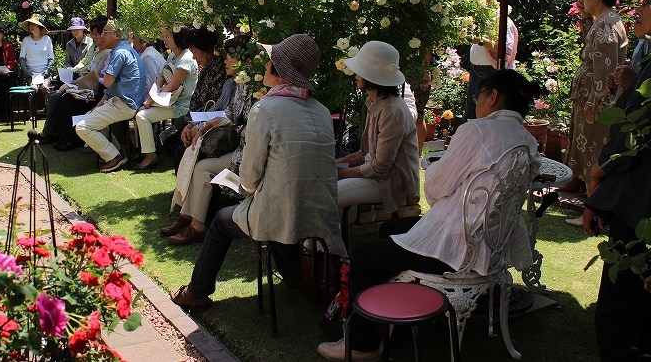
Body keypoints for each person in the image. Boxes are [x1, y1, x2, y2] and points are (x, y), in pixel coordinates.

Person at [317, 69, 542, 362]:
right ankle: (399, 311)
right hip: (490, 241)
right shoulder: (527, 139)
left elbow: (435, 186)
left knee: (364, 255)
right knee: (392, 228)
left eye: (477, 96)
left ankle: (363, 345)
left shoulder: (475, 130)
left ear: (493, 96)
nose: (476, 103)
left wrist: (439, 172)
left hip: (458, 244)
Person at [170, 34, 347, 310]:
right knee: (277, 216)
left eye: (269, 62)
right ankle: (296, 277)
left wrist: (245, 188)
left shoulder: (265, 109)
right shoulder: (321, 111)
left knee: (221, 222)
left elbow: (250, 179)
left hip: (280, 209)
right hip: (319, 209)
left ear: (278, 70)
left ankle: (196, 292)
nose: (265, 66)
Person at [582, 0, 651, 362]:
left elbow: (633, 129)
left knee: (621, 300)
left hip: (638, 197)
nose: (638, 6)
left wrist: (597, 173)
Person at [163, 35, 255, 246]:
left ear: (244, 60)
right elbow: (229, 112)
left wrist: (222, 125)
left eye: (229, 56)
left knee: (201, 167)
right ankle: (190, 220)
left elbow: (252, 129)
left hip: (249, 150)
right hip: (237, 144)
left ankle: (196, 225)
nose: (225, 60)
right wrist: (207, 123)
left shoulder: (255, 89)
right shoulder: (239, 83)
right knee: (192, 158)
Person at [562, 0, 628, 210]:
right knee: (590, 150)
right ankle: (593, 204)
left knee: (594, 152)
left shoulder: (606, 24)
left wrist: (595, 102)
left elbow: (605, 69)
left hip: (598, 102)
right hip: (594, 97)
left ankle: (594, 208)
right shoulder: (608, 21)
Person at [335, 41, 420, 217]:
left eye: (360, 70)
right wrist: (338, 162)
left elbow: (380, 167)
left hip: (390, 182)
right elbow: (369, 151)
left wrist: (342, 174)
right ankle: (325, 244)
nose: (356, 75)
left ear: (371, 77)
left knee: (328, 194)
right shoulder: (378, 103)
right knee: (324, 191)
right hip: (379, 176)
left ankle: (330, 246)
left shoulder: (391, 111)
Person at [74, 23, 145, 172]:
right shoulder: (124, 50)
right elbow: (110, 89)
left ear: (117, 35)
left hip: (125, 104)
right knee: (90, 116)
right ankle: (117, 150)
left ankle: (114, 156)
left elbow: (107, 82)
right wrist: (97, 107)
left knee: (82, 127)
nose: (101, 36)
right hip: (122, 102)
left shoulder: (119, 53)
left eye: (105, 33)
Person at [162, 27, 231, 171]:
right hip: (198, 121)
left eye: (194, 51)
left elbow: (214, 109)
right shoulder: (206, 69)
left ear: (204, 48)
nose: (193, 57)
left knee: (178, 150)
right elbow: (195, 102)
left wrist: (194, 127)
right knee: (170, 141)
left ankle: (187, 190)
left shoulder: (222, 72)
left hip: (212, 126)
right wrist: (188, 125)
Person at [38, 16, 112, 150]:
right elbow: (83, 66)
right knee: (59, 97)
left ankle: (70, 139)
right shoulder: (94, 50)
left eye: (96, 34)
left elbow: (98, 76)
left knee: (66, 99)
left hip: (96, 91)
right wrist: (73, 74)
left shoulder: (106, 52)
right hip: (82, 82)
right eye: (93, 33)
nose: (93, 36)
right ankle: (62, 135)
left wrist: (80, 78)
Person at [133, 26, 198, 170]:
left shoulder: (186, 58)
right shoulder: (172, 55)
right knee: (140, 112)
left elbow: (173, 85)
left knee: (142, 116)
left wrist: (151, 99)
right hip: (168, 99)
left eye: (169, 36)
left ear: (179, 39)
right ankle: (146, 150)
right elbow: (162, 76)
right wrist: (156, 90)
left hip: (182, 104)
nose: (164, 39)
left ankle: (150, 155)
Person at [18, 13, 55, 85]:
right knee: (33, 88)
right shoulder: (26, 40)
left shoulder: (47, 39)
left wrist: (47, 71)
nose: (31, 26)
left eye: (34, 24)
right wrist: (26, 71)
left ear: (39, 26)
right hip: (30, 73)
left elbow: (51, 58)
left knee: (45, 87)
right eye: (30, 24)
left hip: (44, 73)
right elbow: (21, 57)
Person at [129, 31, 166, 98]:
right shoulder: (149, 52)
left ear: (143, 42)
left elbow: (150, 83)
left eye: (135, 38)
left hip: (156, 97)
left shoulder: (147, 56)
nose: (133, 41)